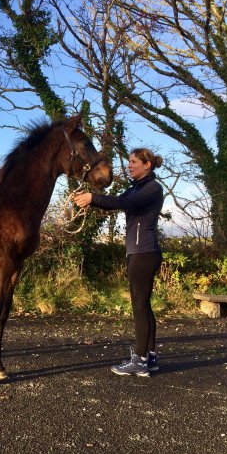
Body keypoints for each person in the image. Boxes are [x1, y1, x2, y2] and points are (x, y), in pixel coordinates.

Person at [74, 148, 164, 377]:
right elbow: (117, 201)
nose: (129, 166)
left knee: (139, 305)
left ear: (147, 165)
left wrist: (93, 198)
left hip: (144, 253)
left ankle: (141, 360)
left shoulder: (152, 188)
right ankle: (150, 358)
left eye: (133, 162)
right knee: (144, 304)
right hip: (140, 252)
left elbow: (124, 203)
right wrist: (92, 201)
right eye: (129, 162)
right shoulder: (136, 187)